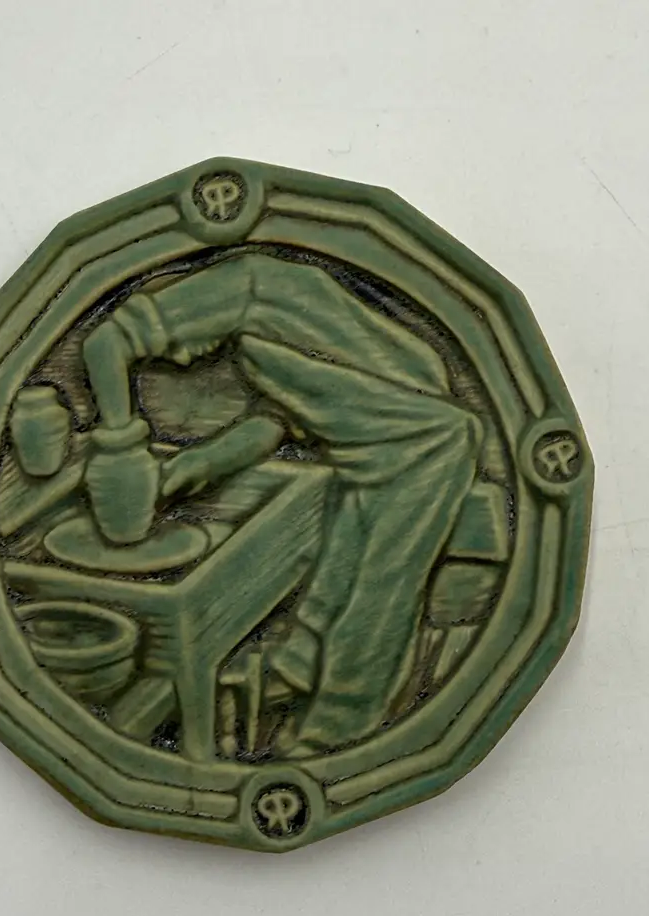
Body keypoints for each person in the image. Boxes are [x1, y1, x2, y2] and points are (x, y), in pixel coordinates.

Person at [83, 252, 482, 754]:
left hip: (430, 444)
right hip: (379, 447)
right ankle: (300, 668)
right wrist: (196, 465)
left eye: (174, 349)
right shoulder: (263, 338)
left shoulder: (246, 285)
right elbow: (284, 417)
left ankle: (338, 725)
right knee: (345, 548)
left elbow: (104, 342)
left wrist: (118, 439)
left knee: (380, 588)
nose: (181, 361)